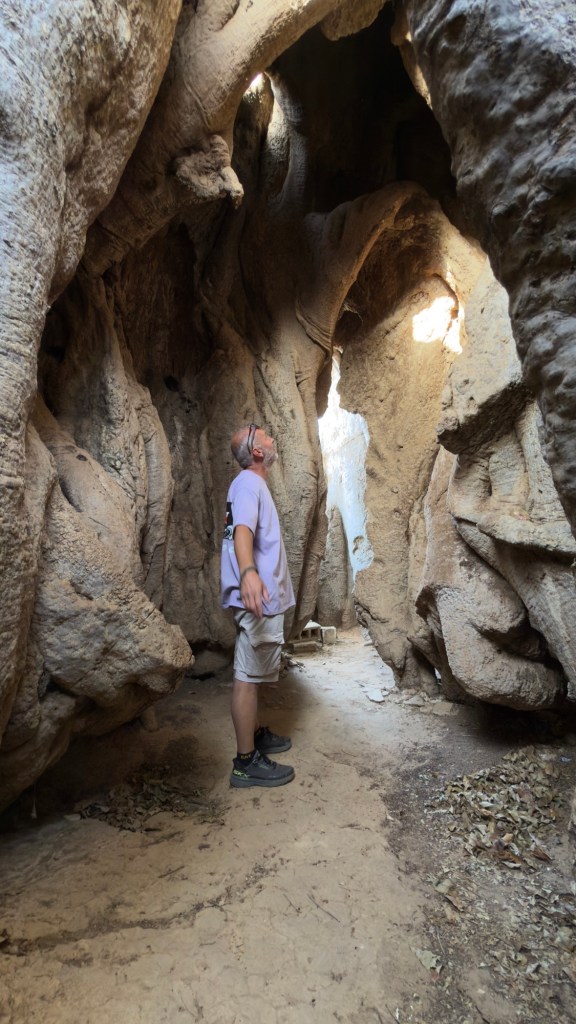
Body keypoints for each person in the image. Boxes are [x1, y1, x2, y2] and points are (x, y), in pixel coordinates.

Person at [221, 423, 296, 788]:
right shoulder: (250, 483)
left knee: (250, 670)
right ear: (256, 451)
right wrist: (249, 572)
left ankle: (254, 736)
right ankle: (246, 762)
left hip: (256, 596)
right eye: (263, 433)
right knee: (248, 677)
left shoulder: (248, 485)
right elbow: (242, 532)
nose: (271, 436)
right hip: (257, 597)